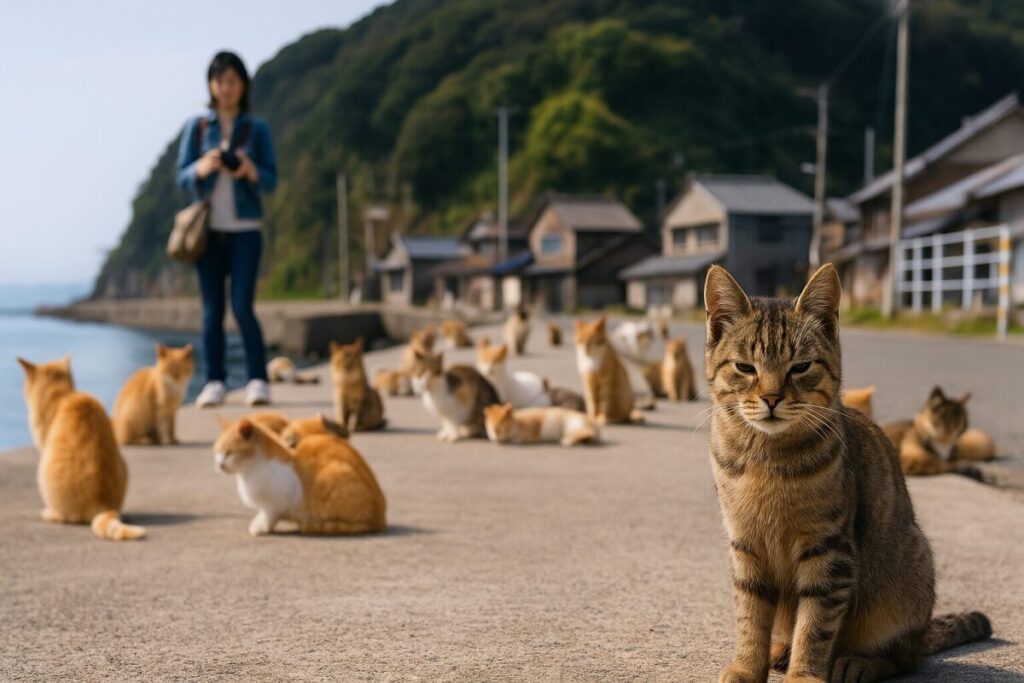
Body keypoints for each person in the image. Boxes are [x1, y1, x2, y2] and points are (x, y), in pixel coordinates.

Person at [176, 51, 277, 407]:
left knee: (243, 306)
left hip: (247, 228)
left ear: (243, 84)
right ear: (210, 85)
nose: (225, 87)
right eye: (219, 80)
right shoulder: (198, 127)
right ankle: (214, 380)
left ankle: (257, 379)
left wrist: (249, 171)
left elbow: (271, 179)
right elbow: (182, 175)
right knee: (211, 309)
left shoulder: (257, 128)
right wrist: (202, 168)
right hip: (209, 232)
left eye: (232, 79)